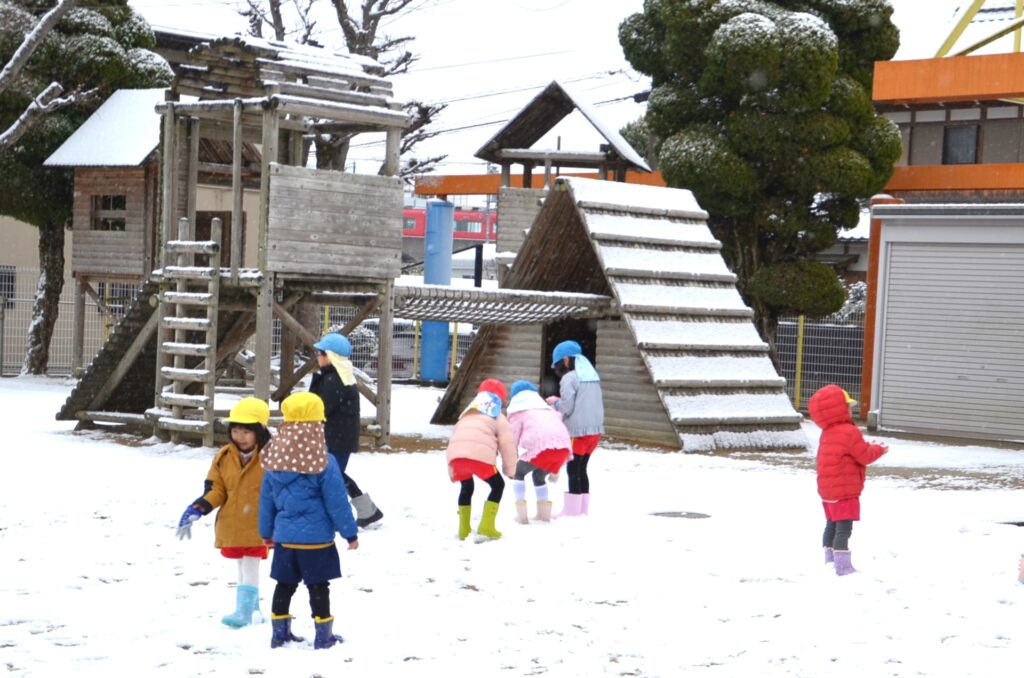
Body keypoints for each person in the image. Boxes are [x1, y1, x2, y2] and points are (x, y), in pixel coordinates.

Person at [259, 391, 359, 649]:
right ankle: (323, 635)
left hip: (285, 540)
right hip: (316, 541)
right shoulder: (324, 460)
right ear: (318, 426)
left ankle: (279, 633)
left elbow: (266, 501)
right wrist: (350, 532)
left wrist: (265, 531)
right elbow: (336, 501)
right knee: (318, 587)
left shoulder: (273, 460)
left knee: (284, 585)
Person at [175, 397, 272, 627]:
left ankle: (244, 612)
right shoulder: (224, 457)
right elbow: (217, 489)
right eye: (236, 430)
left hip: (258, 522)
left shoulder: (272, 457)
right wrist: (199, 508)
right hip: (232, 521)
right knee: (241, 565)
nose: (240, 436)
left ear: (260, 431)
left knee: (250, 564)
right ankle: (252, 607)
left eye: (246, 431)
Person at [808, 384, 888, 576]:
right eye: (848, 407)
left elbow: (847, 451)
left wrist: (866, 446)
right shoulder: (849, 431)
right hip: (844, 491)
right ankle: (842, 567)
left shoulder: (827, 432)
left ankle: (829, 560)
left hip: (829, 491)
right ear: (840, 409)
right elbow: (864, 456)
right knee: (844, 529)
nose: (850, 411)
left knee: (831, 525)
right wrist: (879, 449)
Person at [309, 332, 384, 529]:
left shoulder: (336, 380)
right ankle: (366, 510)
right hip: (337, 437)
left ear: (330, 356)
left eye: (320, 353)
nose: (317, 356)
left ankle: (344, 515)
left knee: (332, 477)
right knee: (333, 476)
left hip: (336, 438)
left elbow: (319, 407)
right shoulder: (333, 376)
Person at [445, 379, 518, 540]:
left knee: (466, 487)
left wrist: (452, 471)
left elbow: (454, 442)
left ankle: (463, 529)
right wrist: (511, 470)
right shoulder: (497, 416)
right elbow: (507, 445)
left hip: (457, 459)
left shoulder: (466, 414)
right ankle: (487, 526)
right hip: (480, 458)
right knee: (498, 485)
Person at [548, 340, 604, 517]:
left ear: (565, 360)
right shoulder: (592, 375)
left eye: (558, 365)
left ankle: (572, 511)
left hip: (578, 433)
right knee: (582, 469)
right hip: (594, 431)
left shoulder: (569, 378)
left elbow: (567, 408)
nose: (558, 370)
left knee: (573, 470)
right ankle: (582, 509)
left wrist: (555, 402)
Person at [506, 379, 572, 524]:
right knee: (538, 475)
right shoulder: (548, 409)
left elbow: (512, 438)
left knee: (519, 472)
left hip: (542, 448)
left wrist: (510, 460)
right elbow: (557, 429)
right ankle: (543, 515)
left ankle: (522, 516)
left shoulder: (519, 412)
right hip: (562, 449)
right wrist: (556, 466)